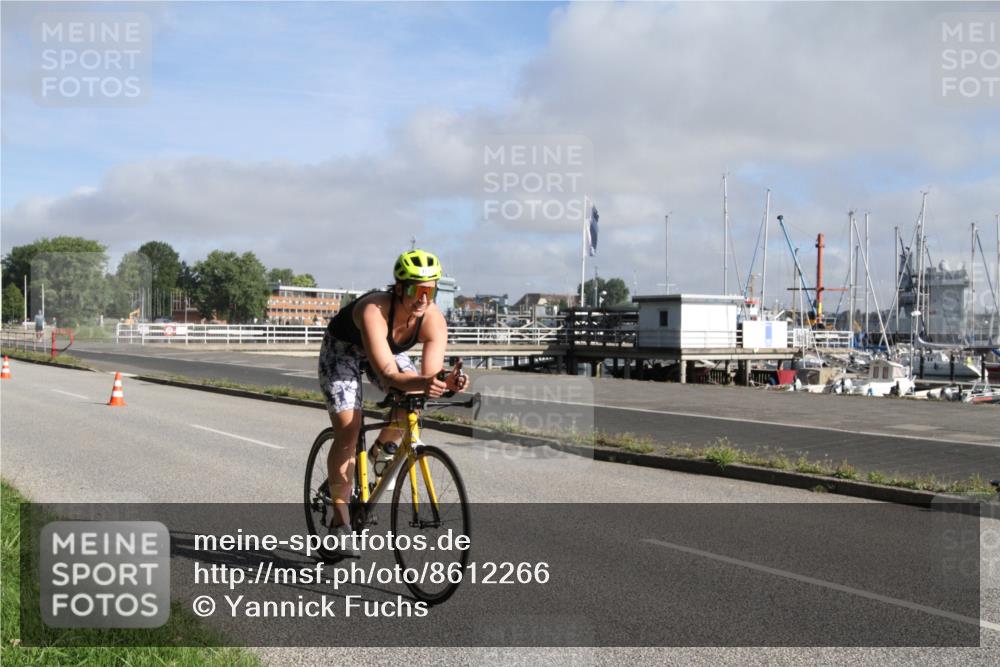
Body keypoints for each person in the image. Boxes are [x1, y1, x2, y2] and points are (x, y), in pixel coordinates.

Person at [317, 249, 468, 555]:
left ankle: (376, 455)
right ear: (399, 288)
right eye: (415, 289)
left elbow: (427, 379)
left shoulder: (433, 320)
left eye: (430, 290)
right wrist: (425, 382)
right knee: (349, 428)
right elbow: (387, 375)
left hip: (386, 351)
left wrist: (445, 382)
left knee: (412, 400)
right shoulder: (375, 309)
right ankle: (339, 523)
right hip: (344, 350)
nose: (423, 298)